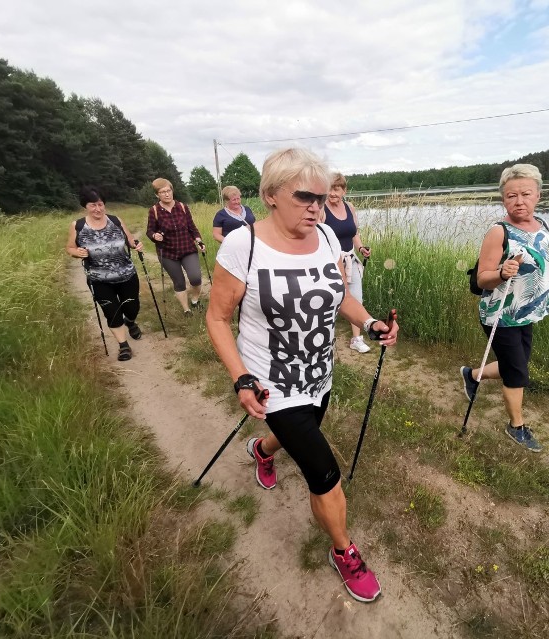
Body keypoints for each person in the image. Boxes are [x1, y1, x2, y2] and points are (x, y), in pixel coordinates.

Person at [206, 148, 398, 603]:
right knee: (324, 473)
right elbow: (216, 318)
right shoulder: (242, 244)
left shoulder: (328, 238)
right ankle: (343, 551)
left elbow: (338, 296)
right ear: (271, 196)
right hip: (271, 380)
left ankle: (262, 450)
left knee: (301, 432)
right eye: (304, 197)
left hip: (319, 372)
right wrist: (240, 377)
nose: (316, 206)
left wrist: (370, 322)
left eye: (321, 196)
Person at [459, 164, 549, 453]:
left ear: (538, 195)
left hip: (529, 311)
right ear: (503, 199)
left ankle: (472, 375)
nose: (519, 201)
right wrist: (502, 272)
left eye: (525, 194)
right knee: (516, 373)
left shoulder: (542, 227)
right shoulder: (499, 233)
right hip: (501, 315)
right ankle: (516, 426)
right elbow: (482, 278)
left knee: (517, 365)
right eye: (511, 195)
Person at [66, 186, 145, 361]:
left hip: (126, 274)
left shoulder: (116, 220)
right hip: (98, 279)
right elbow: (70, 247)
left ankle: (130, 322)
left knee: (132, 307)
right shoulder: (78, 226)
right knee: (112, 312)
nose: (98, 209)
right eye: (93, 205)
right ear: (85, 206)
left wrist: (136, 245)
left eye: (100, 204)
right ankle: (123, 346)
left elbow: (130, 240)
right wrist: (75, 252)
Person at [320, 172, 372, 353]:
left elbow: (354, 234)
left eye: (336, 189)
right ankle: (326, 340)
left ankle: (356, 339)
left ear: (344, 190)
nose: (332, 193)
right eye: (329, 189)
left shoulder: (349, 207)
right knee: (330, 301)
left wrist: (361, 248)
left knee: (356, 299)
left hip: (351, 258)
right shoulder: (321, 210)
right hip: (330, 262)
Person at [146, 178, 206, 316]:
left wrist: (198, 240)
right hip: (168, 253)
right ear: (157, 195)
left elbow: (192, 227)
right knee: (179, 282)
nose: (167, 194)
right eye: (162, 192)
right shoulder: (154, 211)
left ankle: (195, 300)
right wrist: (154, 236)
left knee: (195, 278)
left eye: (168, 190)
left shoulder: (183, 207)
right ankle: (186, 309)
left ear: (172, 190)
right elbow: (149, 231)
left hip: (187, 249)